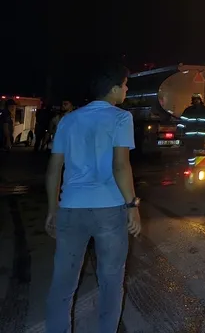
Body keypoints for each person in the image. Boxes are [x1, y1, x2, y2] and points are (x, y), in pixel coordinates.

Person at [45, 62, 141, 333]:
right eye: (124, 84)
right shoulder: (121, 118)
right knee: (111, 282)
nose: (126, 89)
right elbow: (121, 166)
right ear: (112, 89)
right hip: (109, 209)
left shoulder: (68, 120)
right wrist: (132, 205)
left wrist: (53, 209)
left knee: (63, 284)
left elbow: (54, 170)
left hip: (71, 209)